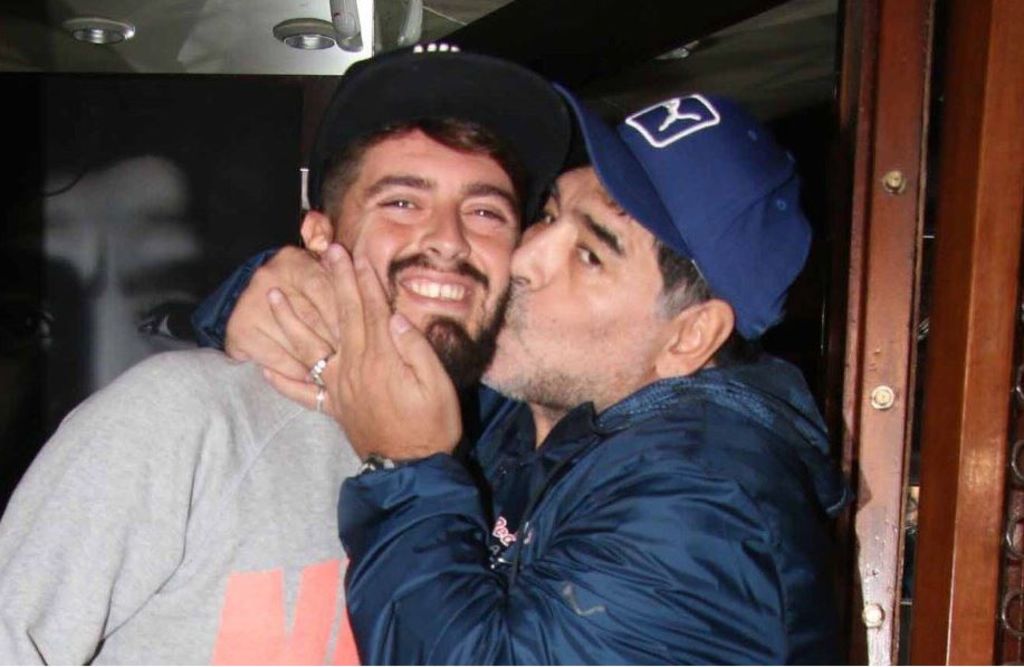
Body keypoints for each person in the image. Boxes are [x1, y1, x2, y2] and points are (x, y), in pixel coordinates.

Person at [0, 47, 570, 664]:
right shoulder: (183, 417)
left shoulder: (517, 463)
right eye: (403, 202)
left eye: (485, 211)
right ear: (319, 236)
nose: (449, 240)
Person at [240, 90, 851, 664]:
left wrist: (406, 465)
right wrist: (269, 294)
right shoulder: (545, 414)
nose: (524, 259)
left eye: (590, 255)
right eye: (549, 214)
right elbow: (406, 330)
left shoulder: (707, 509)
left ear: (689, 337)